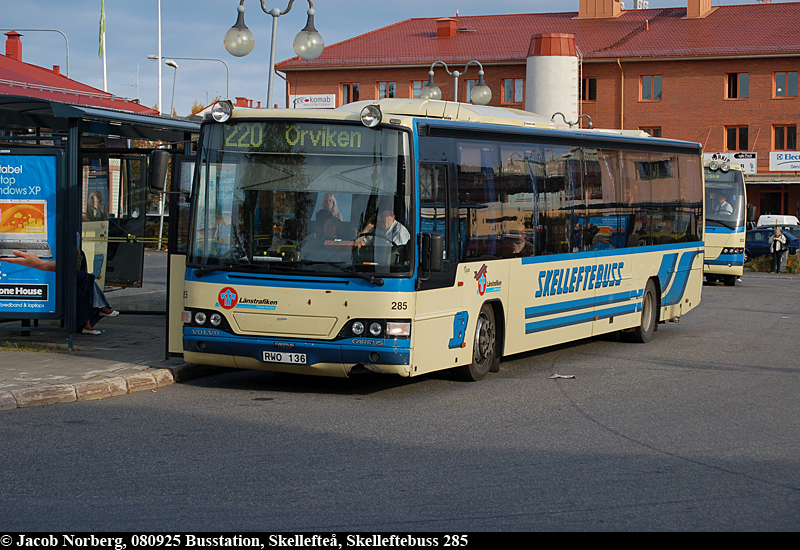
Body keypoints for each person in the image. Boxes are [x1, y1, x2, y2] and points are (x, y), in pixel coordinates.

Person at [0, 250, 119, 335]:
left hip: (56, 277)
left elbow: (74, 267)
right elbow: (74, 267)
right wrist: (41, 264)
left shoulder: (70, 240)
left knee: (84, 281)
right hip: (52, 280)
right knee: (85, 279)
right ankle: (98, 310)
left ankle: (93, 316)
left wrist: (41, 264)